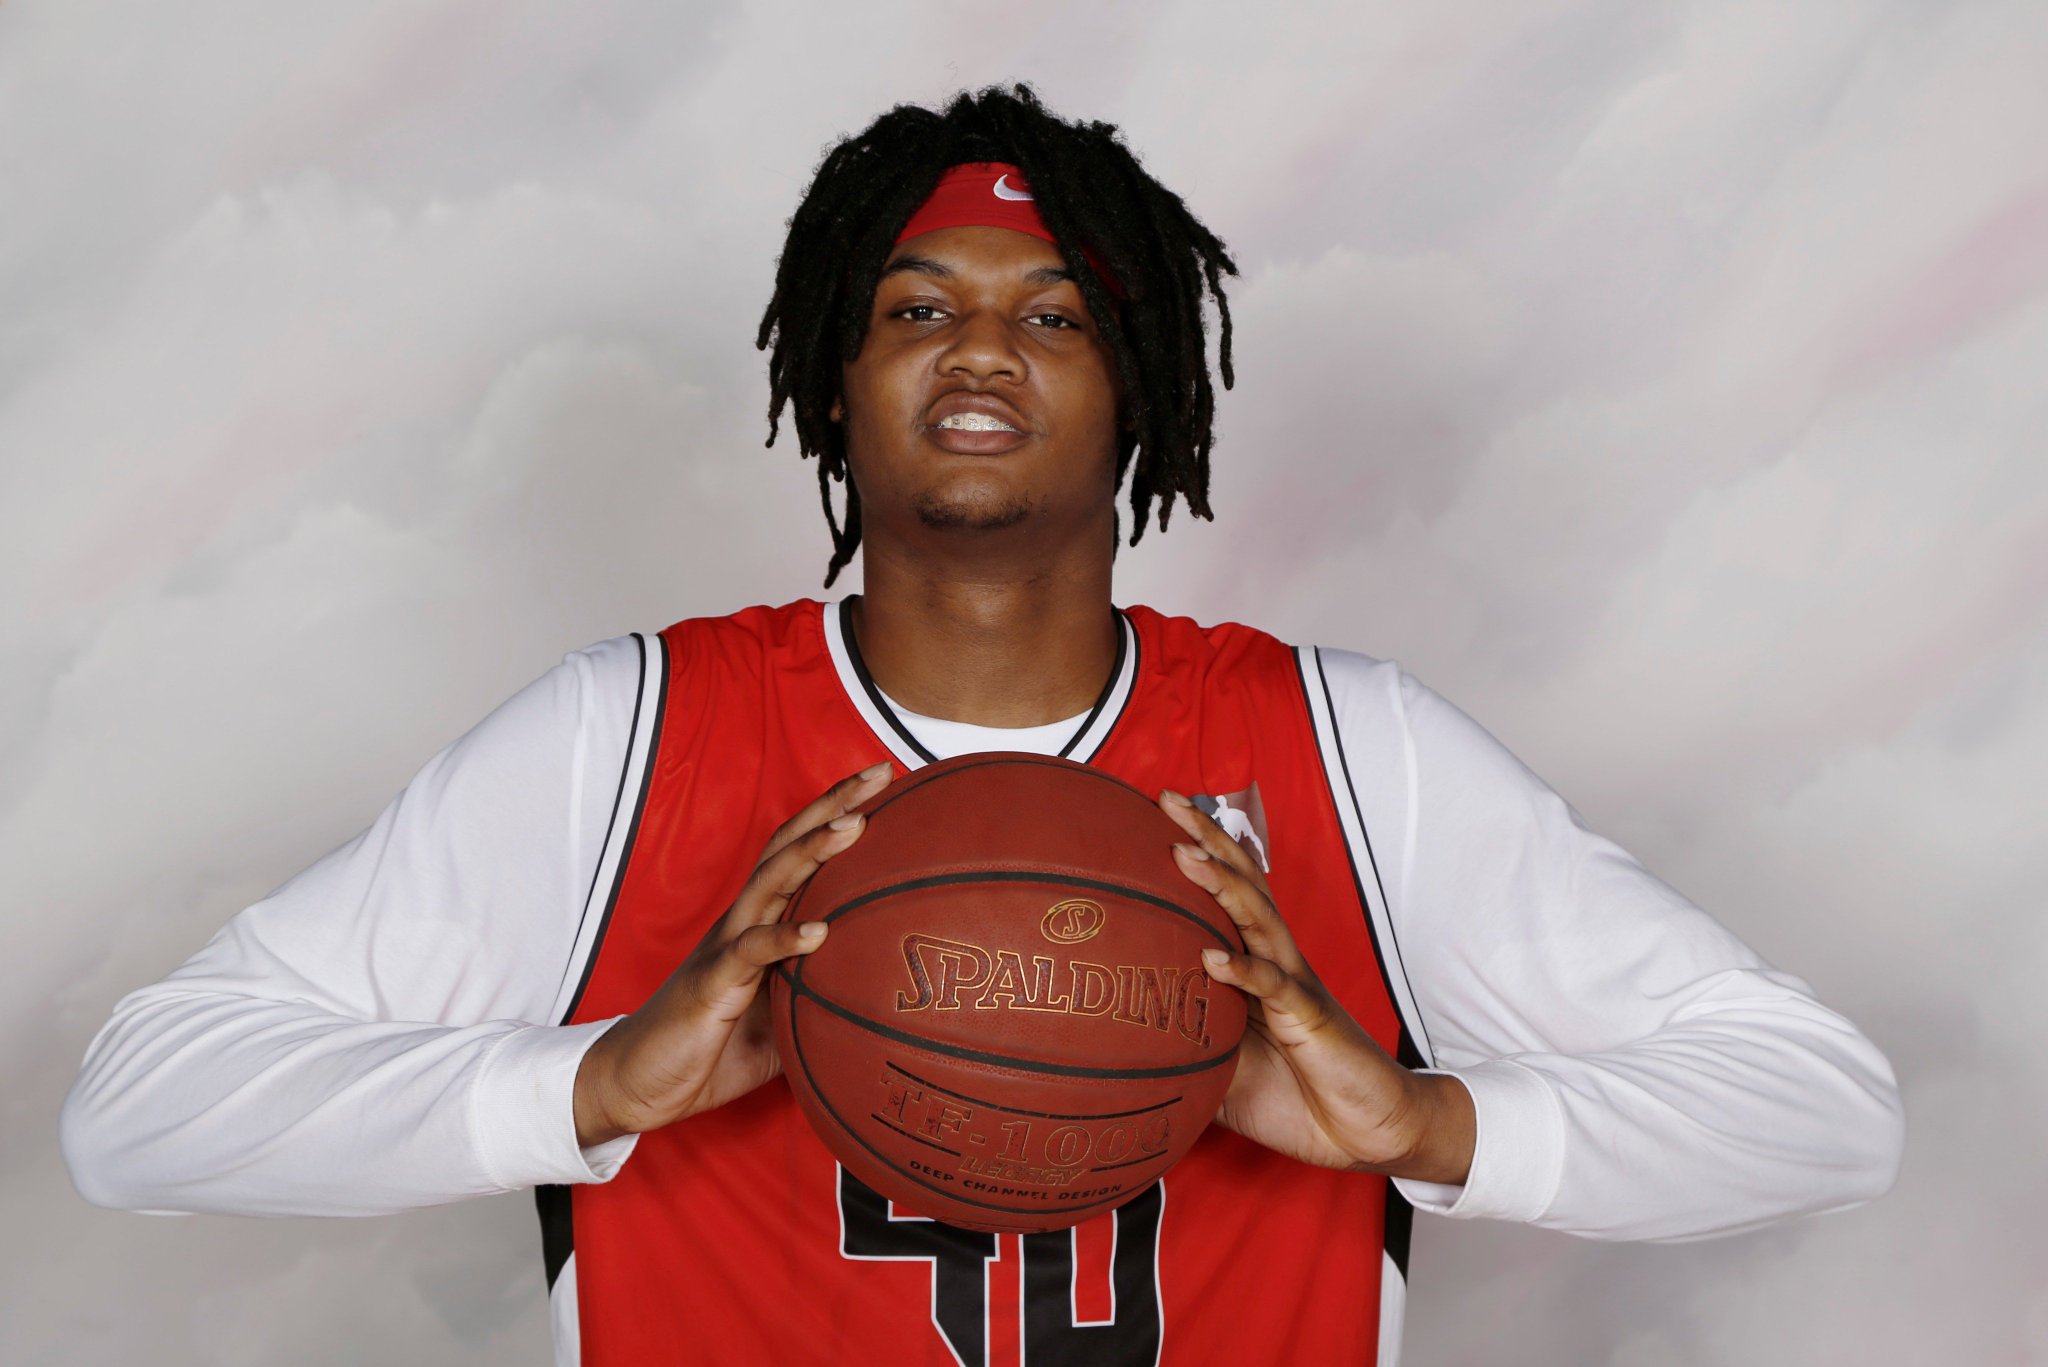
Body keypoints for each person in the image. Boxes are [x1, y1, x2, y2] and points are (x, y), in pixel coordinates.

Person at [60, 84, 1904, 1366]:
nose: (981, 350)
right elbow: (136, 1115)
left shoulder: (1350, 751)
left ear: (1143, 391)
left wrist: (1428, 1120)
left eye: (1057, 316)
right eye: (915, 305)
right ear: (833, 379)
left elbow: (1826, 1115)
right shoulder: (622, 738)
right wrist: (587, 1085)